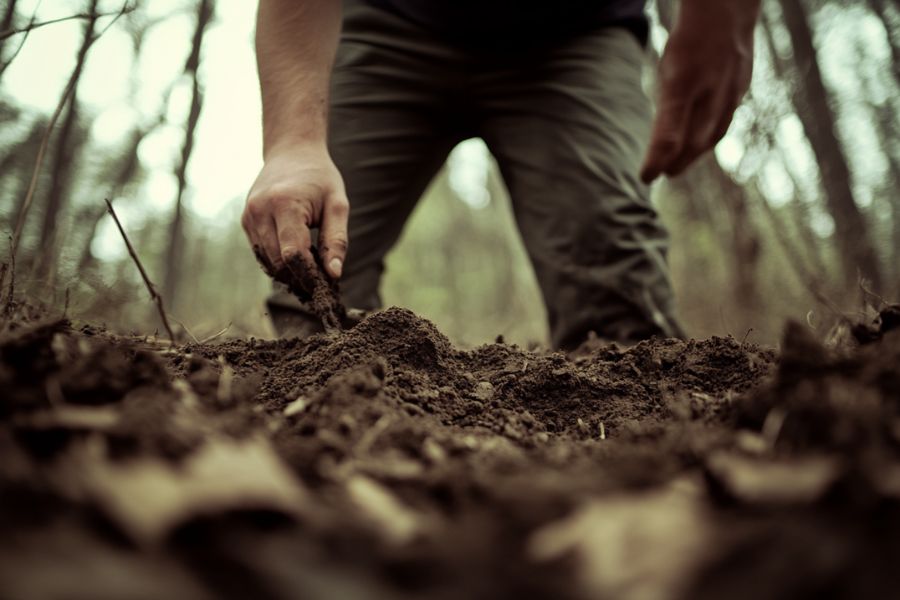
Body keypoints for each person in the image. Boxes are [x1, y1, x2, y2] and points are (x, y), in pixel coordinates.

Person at [241, 0, 760, 349]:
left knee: (619, 304)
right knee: (308, 265)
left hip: (577, 33)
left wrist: (722, 13)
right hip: (388, 20)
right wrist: (294, 141)